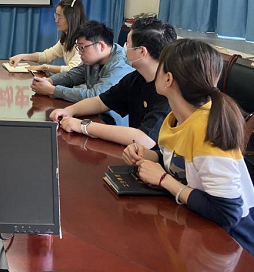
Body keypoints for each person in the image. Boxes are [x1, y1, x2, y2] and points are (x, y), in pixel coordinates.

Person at [122, 39, 254, 255]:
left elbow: (228, 213)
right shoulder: (176, 117)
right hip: (194, 227)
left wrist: (163, 180)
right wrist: (149, 156)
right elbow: (180, 160)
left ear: (168, 79)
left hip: (228, 245)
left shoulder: (205, 129)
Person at [50, 17, 177, 148]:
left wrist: (83, 126)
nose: (124, 48)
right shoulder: (136, 78)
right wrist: (69, 111)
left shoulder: (170, 89)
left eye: (128, 44)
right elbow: (101, 102)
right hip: (134, 153)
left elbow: (145, 139)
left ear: (141, 52)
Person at [31, 21, 132, 113]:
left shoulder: (119, 66)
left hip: (111, 120)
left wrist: (52, 90)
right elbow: (72, 76)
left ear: (101, 46)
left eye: (82, 48)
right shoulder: (95, 58)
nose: (79, 52)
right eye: (78, 48)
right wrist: (49, 81)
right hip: (94, 113)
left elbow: (95, 97)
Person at [9, 0, 87, 73]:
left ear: (71, 18)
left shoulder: (83, 41)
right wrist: (21, 56)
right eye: (56, 16)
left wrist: (45, 67)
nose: (56, 20)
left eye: (59, 17)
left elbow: (72, 69)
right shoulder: (66, 39)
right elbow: (46, 55)